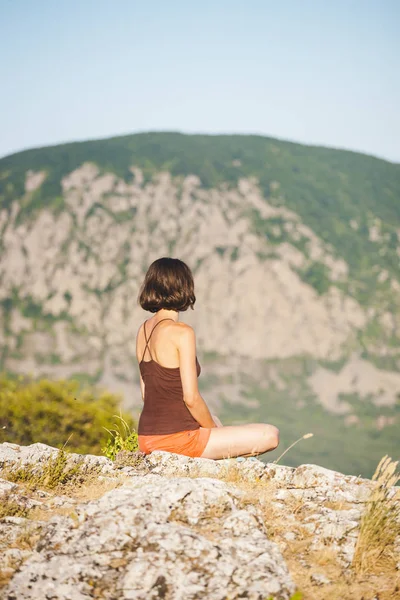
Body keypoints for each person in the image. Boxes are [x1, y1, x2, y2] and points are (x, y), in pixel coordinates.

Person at [136, 257, 280, 459]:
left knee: (215, 419)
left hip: (146, 437)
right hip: (177, 440)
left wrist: (211, 425)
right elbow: (191, 398)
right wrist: (213, 430)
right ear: (184, 287)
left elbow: (146, 394)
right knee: (270, 434)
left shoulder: (143, 330)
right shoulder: (181, 332)